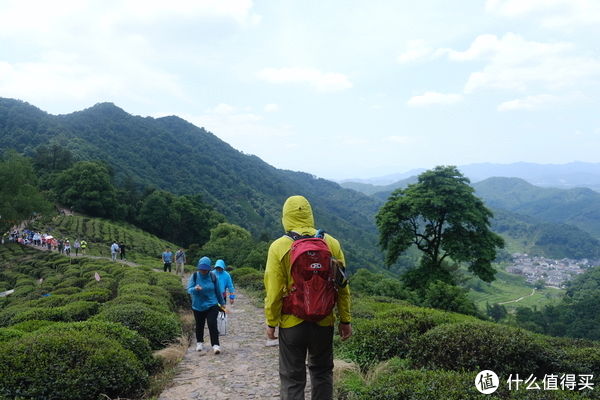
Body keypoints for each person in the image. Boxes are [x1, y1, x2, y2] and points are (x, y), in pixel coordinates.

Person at [264, 195, 352, 400]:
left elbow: (274, 290)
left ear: (286, 216)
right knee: (322, 372)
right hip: (324, 321)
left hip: (292, 322)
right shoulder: (331, 243)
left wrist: (271, 321)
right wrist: (345, 320)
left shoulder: (278, 247)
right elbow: (343, 286)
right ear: (310, 215)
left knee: (292, 378)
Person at [187, 256, 225, 354]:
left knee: (212, 323)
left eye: (205, 269)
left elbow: (218, 291)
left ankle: (216, 345)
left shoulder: (213, 276)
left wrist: (222, 303)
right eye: (201, 269)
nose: (203, 271)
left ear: (209, 268)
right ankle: (199, 342)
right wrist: (195, 289)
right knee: (199, 324)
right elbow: (189, 289)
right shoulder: (194, 276)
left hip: (212, 304)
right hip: (198, 305)